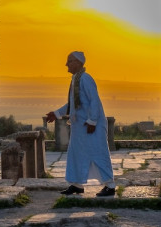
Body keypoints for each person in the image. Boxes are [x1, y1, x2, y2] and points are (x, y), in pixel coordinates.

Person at [46, 51, 115, 197]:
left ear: (78, 63)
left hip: (91, 127)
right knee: (76, 155)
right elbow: (72, 104)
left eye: (69, 61)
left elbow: (94, 100)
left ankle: (110, 186)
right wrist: (57, 114)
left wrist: (92, 121)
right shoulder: (76, 79)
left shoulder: (86, 79)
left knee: (98, 153)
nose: (66, 64)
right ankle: (76, 185)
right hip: (79, 127)